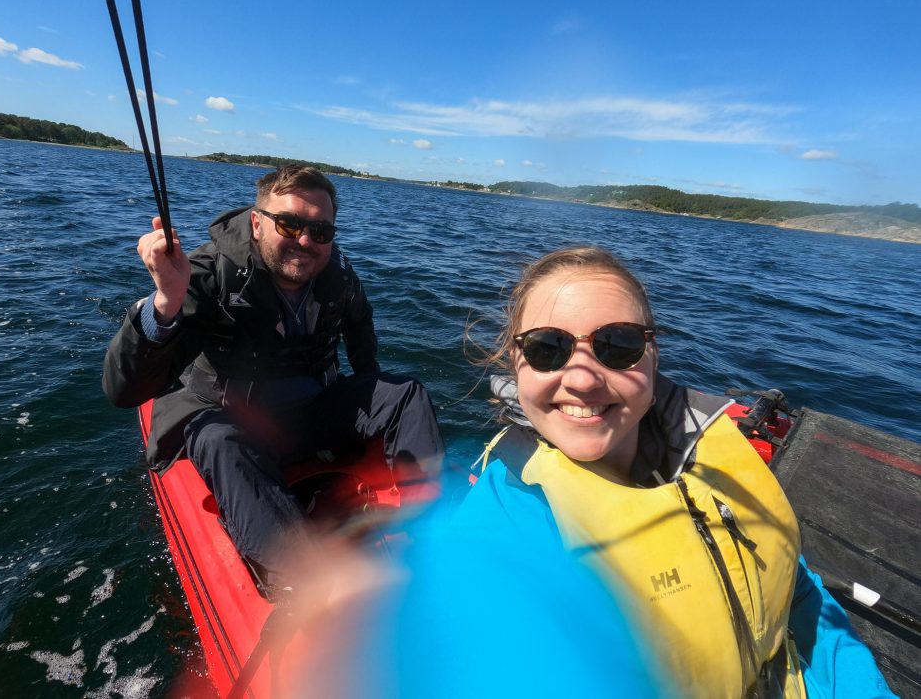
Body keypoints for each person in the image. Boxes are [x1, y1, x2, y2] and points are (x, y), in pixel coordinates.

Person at [457, 246, 894, 698]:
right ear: (515, 360)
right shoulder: (498, 537)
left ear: (652, 355)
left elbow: (797, 589)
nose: (583, 379)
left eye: (617, 344)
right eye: (548, 348)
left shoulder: (717, 457)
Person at [102, 165, 444, 592]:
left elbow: (360, 327)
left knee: (405, 393)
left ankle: (437, 539)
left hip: (314, 409)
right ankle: (310, 584)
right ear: (257, 222)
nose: (306, 241)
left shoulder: (337, 274)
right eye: (290, 224)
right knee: (213, 435)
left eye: (321, 230)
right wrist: (167, 301)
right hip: (238, 420)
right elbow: (124, 390)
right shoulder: (210, 272)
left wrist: (369, 398)